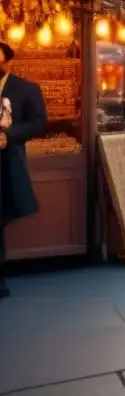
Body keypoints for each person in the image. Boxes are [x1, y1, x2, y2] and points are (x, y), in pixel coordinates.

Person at [0, 40, 46, 299]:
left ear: (8, 63)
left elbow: (39, 121)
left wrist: (10, 136)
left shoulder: (25, 89)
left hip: (6, 162)